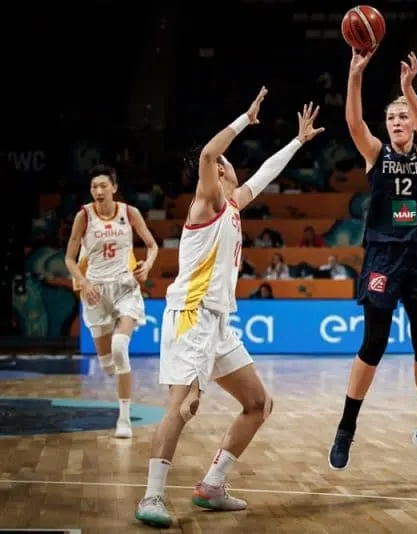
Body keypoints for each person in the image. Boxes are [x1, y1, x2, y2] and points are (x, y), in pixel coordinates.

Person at [134, 88, 324, 528]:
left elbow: (264, 174)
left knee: (258, 402)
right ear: (218, 172)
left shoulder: (233, 205)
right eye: (225, 165)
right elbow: (208, 152)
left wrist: (297, 142)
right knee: (181, 407)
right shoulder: (209, 201)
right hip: (191, 315)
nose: (233, 168)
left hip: (218, 321)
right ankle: (152, 497)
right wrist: (244, 118)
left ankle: (211, 485)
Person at [327, 49, 417, 472]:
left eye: (404, 117)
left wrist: (407, 90)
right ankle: (346, 429)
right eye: (393, 118)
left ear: (413, 124)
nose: (398, 123)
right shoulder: (376, 154)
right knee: (374, 344)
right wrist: (355, 75)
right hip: (383, 256)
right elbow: (352, 122)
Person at [64, 165, 159, 439]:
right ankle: (106, 363)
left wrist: (148, 265)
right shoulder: (84, 216)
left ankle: (124, 419)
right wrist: (83, 282)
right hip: (94, 290)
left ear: (114, 188)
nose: (98, 190)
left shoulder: (130, 213)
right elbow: (69, 258)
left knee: (120, 347)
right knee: (107, 364)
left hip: (125, 287)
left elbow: (152, 245)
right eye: (94, 186)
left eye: (103, 185)